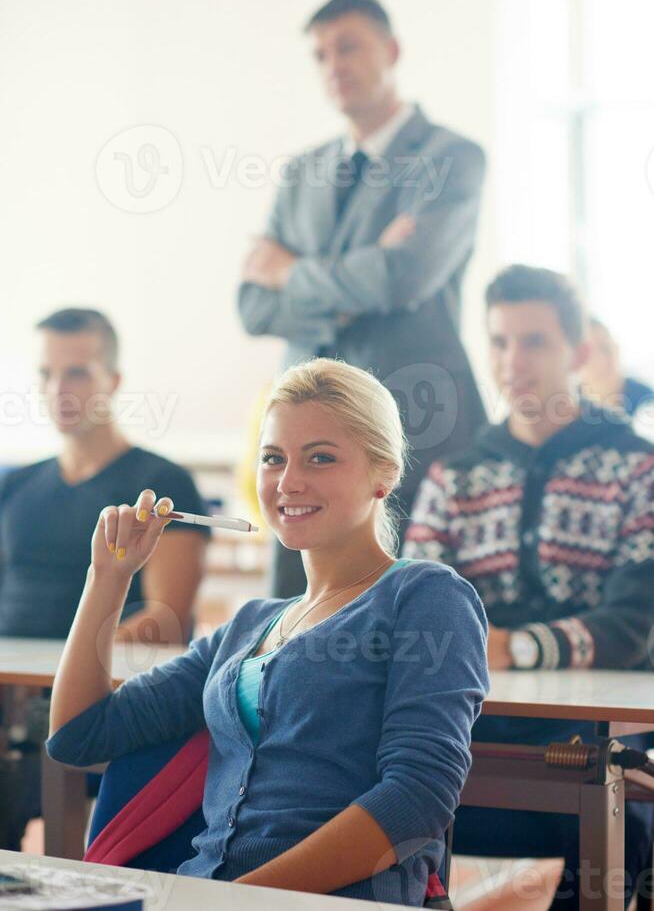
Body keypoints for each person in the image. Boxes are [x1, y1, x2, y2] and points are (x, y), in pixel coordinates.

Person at [47, 359, 488, 905]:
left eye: (320, 458)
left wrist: (232, 900)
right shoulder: (249, 625)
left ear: (384, 474)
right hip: (207, 896)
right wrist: (107, 579)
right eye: (273, 458)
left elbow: (417, 800)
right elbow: (78, 735)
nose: (288, 481)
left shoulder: (425, 595)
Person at [404, 265, 654, 908]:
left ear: (578, 352)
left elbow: (632, 624)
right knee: (378, 787)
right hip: (475, 725)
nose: (513, 361)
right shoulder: (454, 476)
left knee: (632, 817)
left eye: (535, 342)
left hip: (601, 735)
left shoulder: (639, 468)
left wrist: (513, 646)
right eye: (499, 341)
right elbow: (417, 610)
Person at [238, 0, 487, 598]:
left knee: (415, 618)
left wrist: (292, 271)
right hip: (303, 427)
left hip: (415, 417)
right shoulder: (303, 172)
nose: (333, 65)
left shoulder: (450, 157)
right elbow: (253, 305)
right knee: (294, 619)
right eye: (320, 54)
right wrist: (359, 276)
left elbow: (404, 277)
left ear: (392, 51)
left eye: (348, 46)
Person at [0, 308, 210, 645]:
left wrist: (67, 671)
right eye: (46, 373)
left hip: (98, 686)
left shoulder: (164, 483)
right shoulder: (13, 485)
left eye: (77, 373)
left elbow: (167, 619)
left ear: (113, 381)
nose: (58, 390)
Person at [578, 315, 654, 418]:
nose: (601, 360)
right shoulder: (569, 406)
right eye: (591, 353)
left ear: (617, 349)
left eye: (606, 348)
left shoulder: (647, 400)